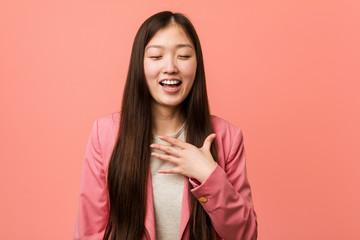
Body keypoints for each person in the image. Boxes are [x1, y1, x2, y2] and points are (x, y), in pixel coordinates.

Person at [74, 11, 257, 240]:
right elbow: (89, 232)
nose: (170, 67)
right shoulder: (106, 134)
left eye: (183, 56)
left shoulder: (227, 138)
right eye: (156, 56)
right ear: (139, 65)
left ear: (197, 64)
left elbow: (244, 235)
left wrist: (210, 176)